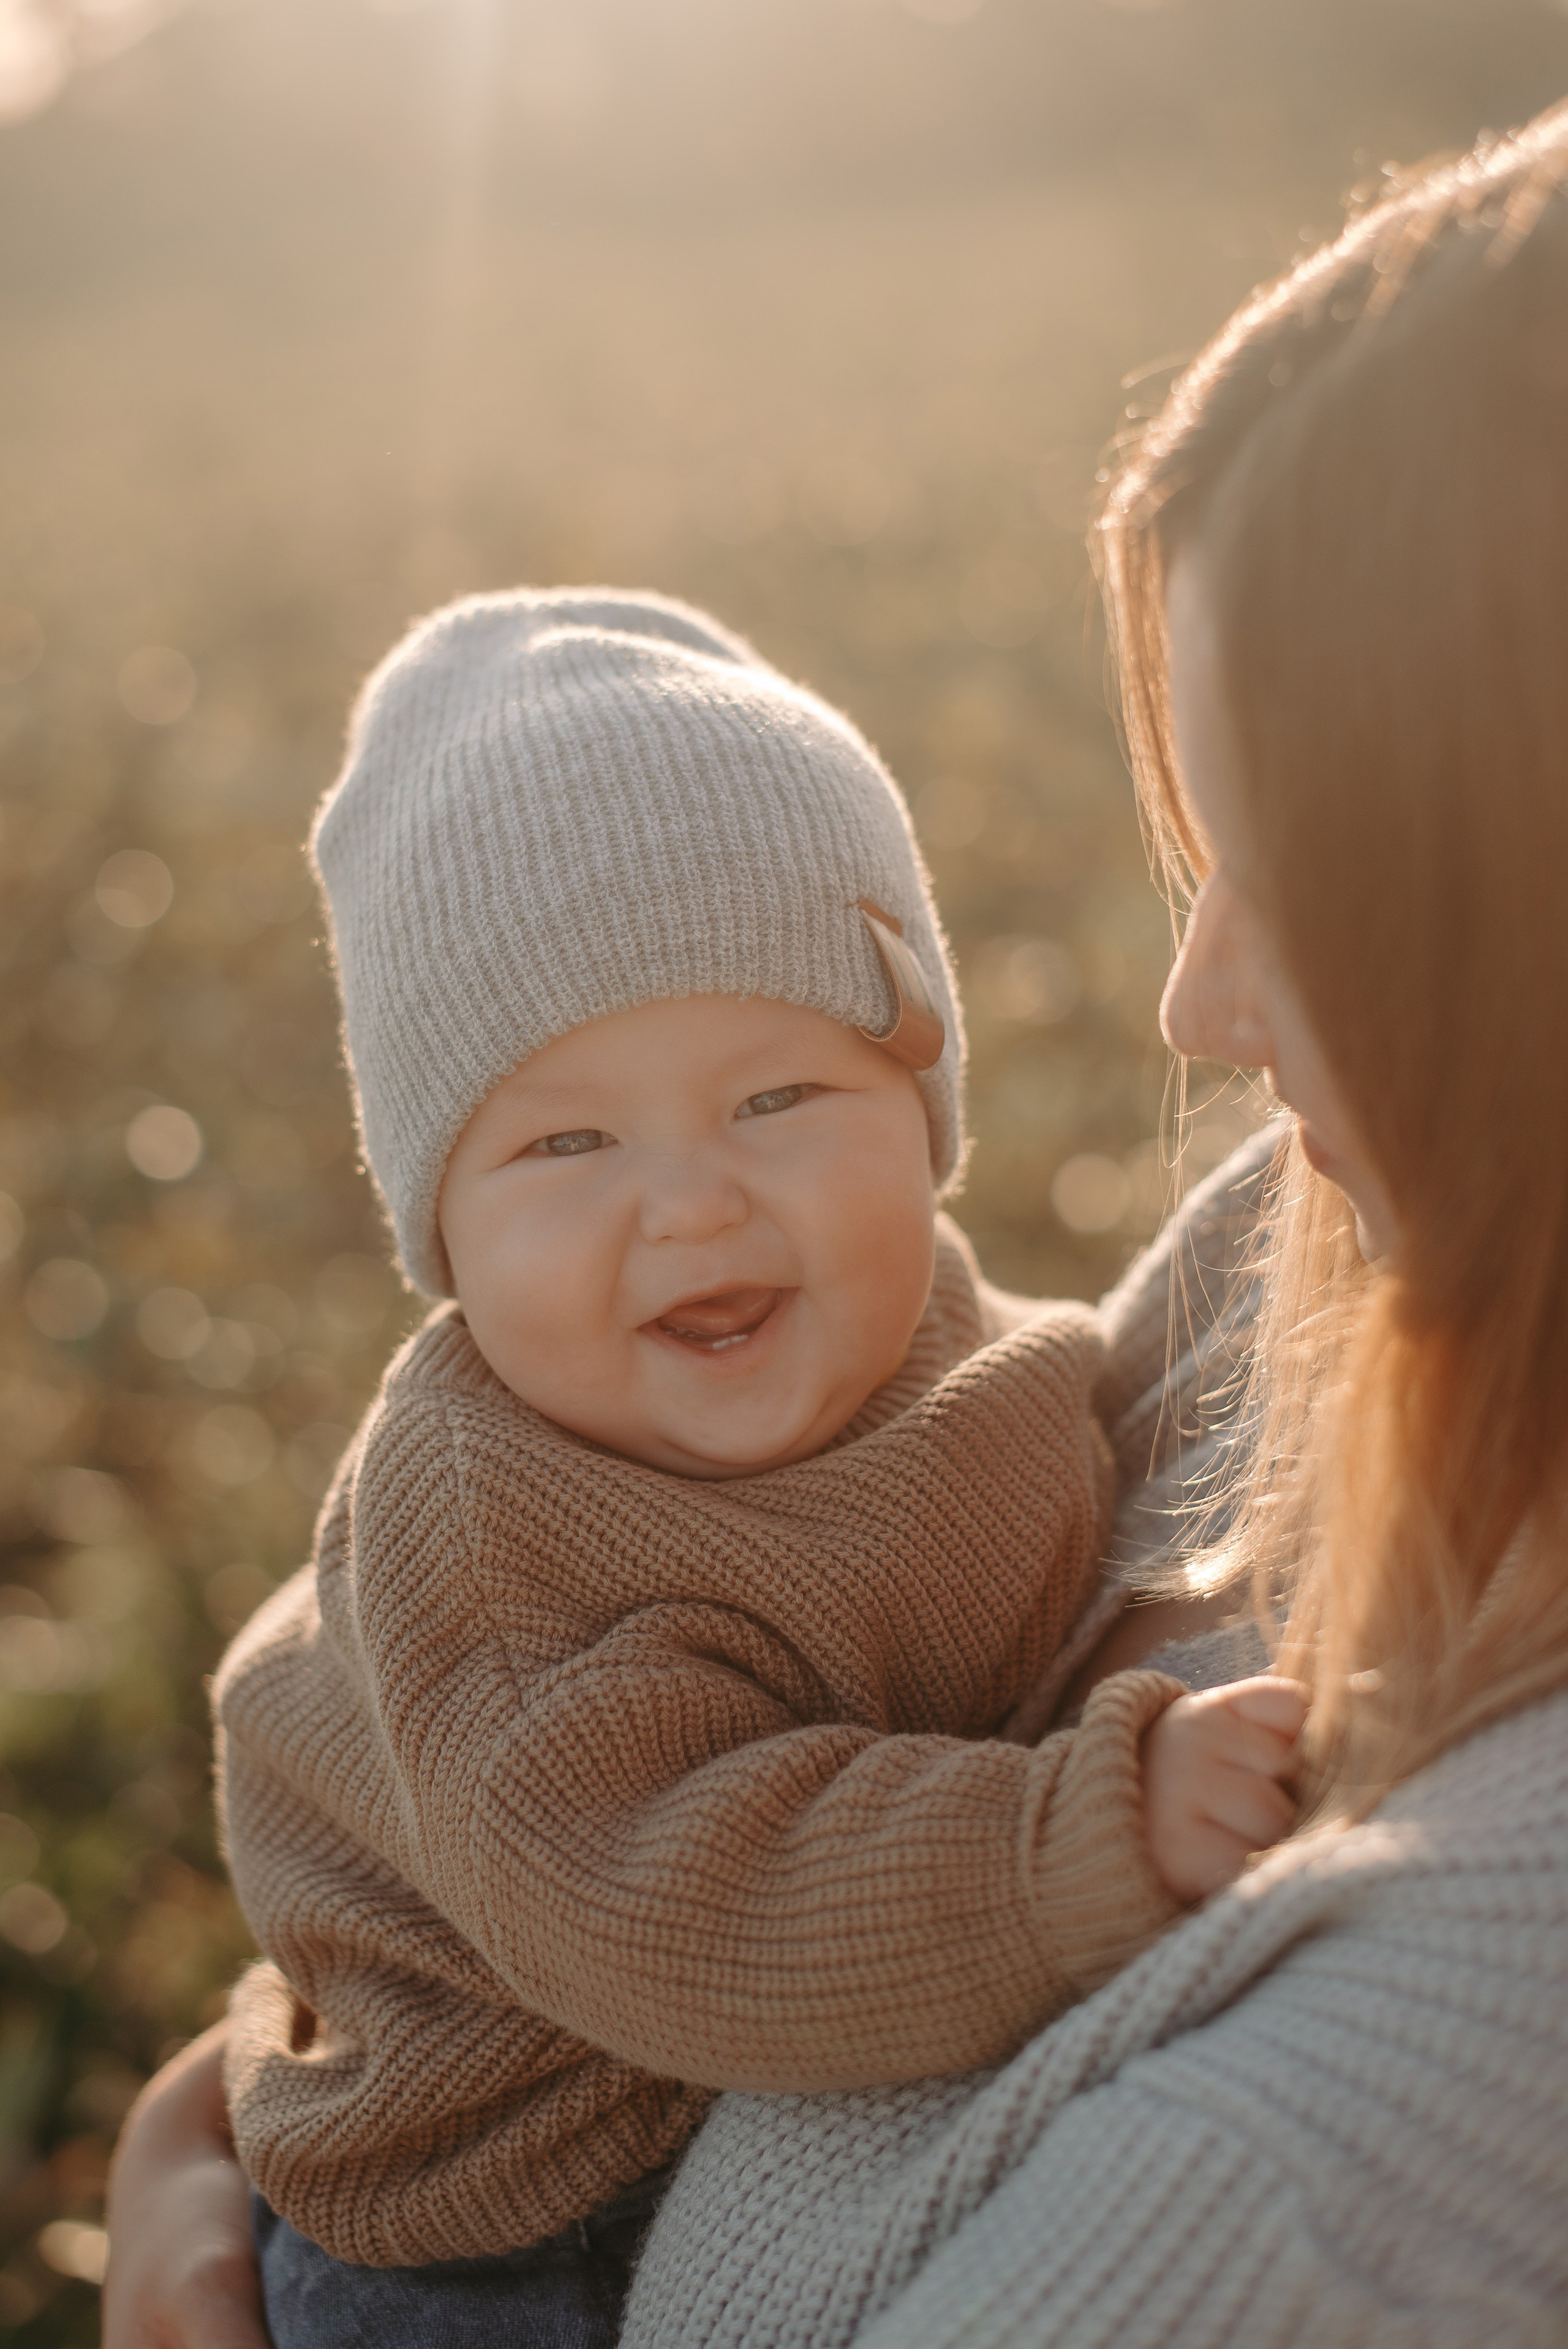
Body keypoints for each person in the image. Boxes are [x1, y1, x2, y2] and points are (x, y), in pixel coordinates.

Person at [608, 105, 1568, 2346]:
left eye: (1300, 880)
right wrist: (232, 2131)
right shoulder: (1315, 1256)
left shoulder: (1369, 2144)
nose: (1194, 998)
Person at [138, 588, 1300, 2349]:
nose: (690, 1200)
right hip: (504, 2216)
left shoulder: (978, 1355)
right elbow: (683, 1892)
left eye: (779, 1099)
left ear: (923, 1112)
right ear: (438, 1234)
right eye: (564, 1140)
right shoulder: (497, 1534)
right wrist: (1087, 1828)